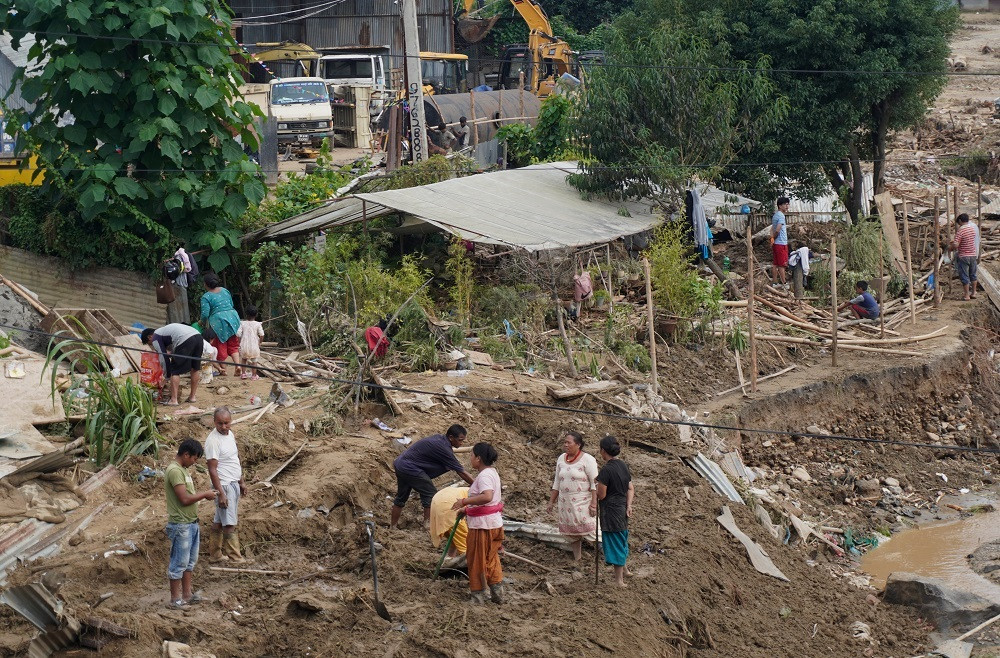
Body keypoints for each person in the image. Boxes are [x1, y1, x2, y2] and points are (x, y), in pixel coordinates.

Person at [164, 438, 216, 609]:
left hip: (190, 523)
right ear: (186, 455)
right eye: (194, 459)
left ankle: (187, 595)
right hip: (181, 524)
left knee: (189, 562)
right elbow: (184, 499)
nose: (194, 462)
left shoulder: (183, 470)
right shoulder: (175, 471)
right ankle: (175, 600)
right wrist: (205, 494)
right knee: (179, 562)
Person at [390, 425, 474, 530]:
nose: (461, 443)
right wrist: (477, 486)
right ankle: (427, 525)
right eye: (460, 440)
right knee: (430, 494)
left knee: (401, 497)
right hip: (410, 468)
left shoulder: (440, 439)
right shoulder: (444, 449)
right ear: (451, 437)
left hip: (401, 464)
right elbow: (461, 472)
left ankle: (392, 527)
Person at [452, 442, 504, 604]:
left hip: (482, 526)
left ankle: (478, 596)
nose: (470, 458)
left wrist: (464, 502)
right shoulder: (492, 473)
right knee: (491, 558)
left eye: (471, 455)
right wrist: (467, 510)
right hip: (493, 523)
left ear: (479, 458)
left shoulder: (484, 476)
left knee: (477, 559)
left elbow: (487, 497)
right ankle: (497, 593)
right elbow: (488, 503)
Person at [205, 407, 248, 564]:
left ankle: (215, 554)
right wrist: (221, 492)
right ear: (214, 422)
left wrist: (241, 481)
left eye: (227, 423)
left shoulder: (230, 435)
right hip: (224, 485)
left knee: (219, 520)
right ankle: (235, 557)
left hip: (232, 482)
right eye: (220, 423)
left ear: (231, 421)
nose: (224, 427)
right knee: (229, 522)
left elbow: (233, 460)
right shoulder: (213, 441)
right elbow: (212, 469)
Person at [547, 431, 598, 561]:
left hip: (582, 503)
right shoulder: (561, 458)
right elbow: (557, 482)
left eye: (568, 442)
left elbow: (594, 483)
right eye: (565, 442)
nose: (565, 445)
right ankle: (578, 558)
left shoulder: (588, 459)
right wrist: (551, 502)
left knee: (592, 531)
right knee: (572, 534)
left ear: (578, 445)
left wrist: (593, 504)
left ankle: (607, 556)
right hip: (566, 503)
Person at [596, 435, 633, 588]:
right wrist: (629, 505)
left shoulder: (606, 470)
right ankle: (625, 570)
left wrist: (596, 487)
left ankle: (619, 581)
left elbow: (602, 495)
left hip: (611, 511)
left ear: (603, 451)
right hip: (622, 508)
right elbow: (630, 488)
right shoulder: (622, 465)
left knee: (615, 542)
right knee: (622, 538)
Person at [142, 324, 203, 406]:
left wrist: (166, 377)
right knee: (195, 368)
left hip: (185, 339)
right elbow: (172, 350)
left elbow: (163, 358)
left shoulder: (155, 337)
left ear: (150, 337)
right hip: (198, 337)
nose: (153, 346)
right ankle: (192, 397)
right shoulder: (164, 331)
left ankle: (174, 400)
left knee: (174, 370)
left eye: (150, 344)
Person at [200, 273, 242, 377]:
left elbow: (205, 314)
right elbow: (231, 304)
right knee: (233, 344)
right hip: (233, 319)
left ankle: (224, 370)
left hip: (218, 322)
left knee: (221, 345)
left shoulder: (206, 297)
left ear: (205, 284)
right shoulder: (224, 290)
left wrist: (202, 322)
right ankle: (238, 366)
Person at [430, 486, 470, 568]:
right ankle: (470, 567)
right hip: (449, 504)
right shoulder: (483, 495)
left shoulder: (468, 489)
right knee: (465, 541)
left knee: (454, 537)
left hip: (438, 501)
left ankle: (448, 560)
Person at [951, 213, 979, 300]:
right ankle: (974, 293)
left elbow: (956, 245)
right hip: (973, 254)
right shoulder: (972, 229)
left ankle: (966, 295)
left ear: (960, 221)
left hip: (964, 256)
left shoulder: (961, 230)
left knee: (964, 275)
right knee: (973, 274)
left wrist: (950, 247)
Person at [237, 306, 264, 380]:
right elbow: (262, 335)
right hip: (254, 345)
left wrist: (240, 342)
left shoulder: (242, 323)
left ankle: (243, 374)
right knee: (254, 361)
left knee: (243, 359)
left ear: (246, 314)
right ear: (256, 315)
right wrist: (260, 343)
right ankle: (254, 376)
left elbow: (238, 334)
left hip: (244, 345)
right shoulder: (258, 324)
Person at [770, 196, 790, 289]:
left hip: (776, 243)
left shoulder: (775, 215)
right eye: (785, 204)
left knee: (775, 263)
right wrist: (774, 237)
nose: (787, 206)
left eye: (787, 204)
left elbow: (772, 228)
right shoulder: (781, 216)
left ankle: (774, 283)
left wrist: (772, 239)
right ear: (779, 206)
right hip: (781, 243)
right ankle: (784, 283)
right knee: (782, 264)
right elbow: (777, 229)